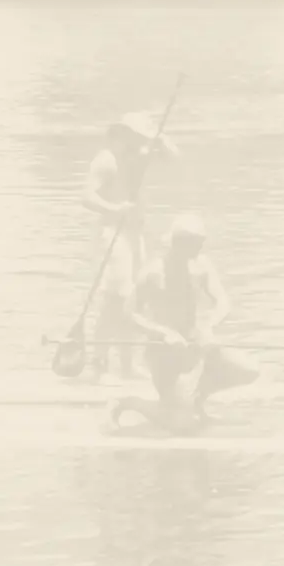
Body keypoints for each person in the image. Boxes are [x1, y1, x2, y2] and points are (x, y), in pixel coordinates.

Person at [114, 213, 250, 433]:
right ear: (178, 244)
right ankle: (130, 403)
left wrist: (208, 326)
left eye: (201, 244)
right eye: (196, 245)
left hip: (196, 347)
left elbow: (223, 302)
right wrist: (162, 333)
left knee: (248, 370)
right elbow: (128, 314)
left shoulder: (202, 265)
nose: (200, 250)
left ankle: (196, 399)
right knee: (184, 426)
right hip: (164, 355)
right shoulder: (153, 272)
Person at [80, 111, 174, 378]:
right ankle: (98, 364)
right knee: (115, 300)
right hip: (113, 233)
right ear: (124, 135)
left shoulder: (139, 155)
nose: (139, 142)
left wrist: (161, 140)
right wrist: (114, 208)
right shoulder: (106, 160)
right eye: (137, 136)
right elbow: (86, 197)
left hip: (135, 234)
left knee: (135, 298)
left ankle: (128, 365)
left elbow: (172, 159)